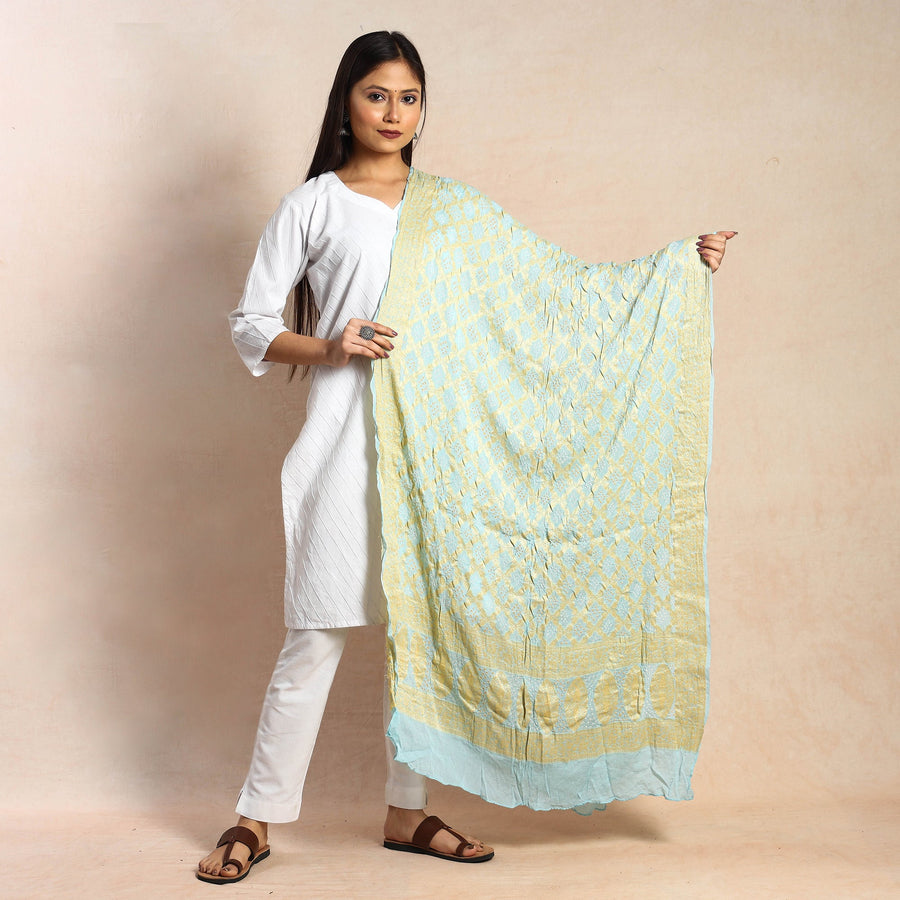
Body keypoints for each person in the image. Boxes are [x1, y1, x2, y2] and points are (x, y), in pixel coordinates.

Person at [197, 30, 734, 885]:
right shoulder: (315, 206)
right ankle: (254, 820)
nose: (393, 113)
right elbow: (252, 327)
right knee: (317, 634)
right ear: (346, 103)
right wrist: (332, 346)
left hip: (444, 458)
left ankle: (406, 812)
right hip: (345, 447)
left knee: (428, 634)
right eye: (377, 94)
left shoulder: (452, 211)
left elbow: (556, 292)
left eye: (409, 98)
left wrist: (676, 269)